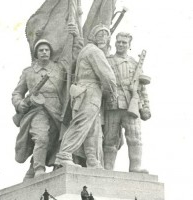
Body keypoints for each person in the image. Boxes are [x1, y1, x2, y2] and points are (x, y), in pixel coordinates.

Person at [12, 26, 81, 179]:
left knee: (53, 142)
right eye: (41, 50)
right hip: (37, 109)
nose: (44, 52)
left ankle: (32, 169)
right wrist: (19, 103)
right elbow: (17, 92)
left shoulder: (59, 68)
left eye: (47, 50)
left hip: (57, 111)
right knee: (41, 137)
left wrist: (75, 36)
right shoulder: (28, 72)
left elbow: (74, 57)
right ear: (36, 53)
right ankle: (38, 169)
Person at [56, 24, 117, 169]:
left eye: (105, 34)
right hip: (89, 91)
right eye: (99, 34)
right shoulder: (94, 51)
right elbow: (108, 77)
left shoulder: (87, 50)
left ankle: (92, 160)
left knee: (93, 128)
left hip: (85, 92)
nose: (102, 37)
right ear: (93, 37)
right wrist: (113, 94)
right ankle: (64, 154)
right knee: (82, 123)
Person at [103, 32, 150, 173]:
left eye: (124, 42)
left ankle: (135, 168)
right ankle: (108, 168)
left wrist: (146, 107)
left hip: (131, 105)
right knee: (110, 140)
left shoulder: (135, 64)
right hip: (112, 104)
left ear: (129, 45)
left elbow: (142, 89)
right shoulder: (107, 60)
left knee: (135, 137)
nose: (121, 44)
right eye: (119, 41)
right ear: (115, 43)